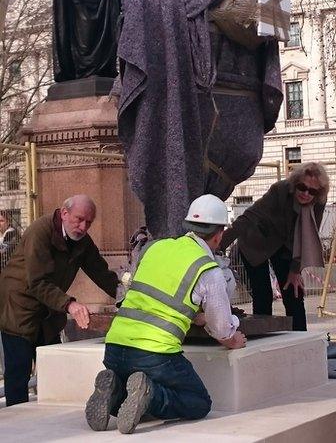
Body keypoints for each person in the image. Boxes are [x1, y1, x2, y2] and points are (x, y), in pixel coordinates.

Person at [117, 0, 283, 239]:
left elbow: (133, 48)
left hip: (185, 119)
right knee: (204, 224)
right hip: (235, 132)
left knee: (178, 221)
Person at [85, 194, 246, 434]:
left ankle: (115, 392)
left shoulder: (155, 248)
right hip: (155, 355)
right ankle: (151, 395)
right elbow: (222, 328)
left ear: (189, 225)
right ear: (219, 233)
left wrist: (195, 316)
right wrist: (234, 339)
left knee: (133, 395)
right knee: (198, 403)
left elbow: (159, 296)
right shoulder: (208, 269)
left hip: (115, 348)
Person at [0, 194, 119, 406]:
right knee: (19, 370)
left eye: (89, 222)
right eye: (79, 219)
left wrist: (126, 296)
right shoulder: (41, 230)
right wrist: (70, 304)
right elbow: (36, 282)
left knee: (51, 368)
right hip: (20, 305)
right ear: (64, 213)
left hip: (49, 307)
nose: (83, 227)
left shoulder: (82, 240)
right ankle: (18, 425)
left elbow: (101, 273)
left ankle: (46, 414)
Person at [220, 162, 329, 331]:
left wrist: (295, 270)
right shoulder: (280, 190)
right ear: (295, 184)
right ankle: (263, 337)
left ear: (318, 193)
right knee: (263, 295)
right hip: (257, 241)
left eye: (312, 191)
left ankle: (299, 340)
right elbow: (251, 215)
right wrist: (218, 244)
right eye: (302, 187)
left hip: (286, 246)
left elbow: (307, 237)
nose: (306, 194)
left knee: (294, 293)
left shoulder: (318, 203)